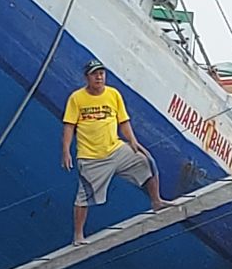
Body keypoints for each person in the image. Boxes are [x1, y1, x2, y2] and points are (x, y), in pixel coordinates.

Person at [61, 58, 172, 244]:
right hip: (91, 157)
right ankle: (78, 235)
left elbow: (123, 121)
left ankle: (156, 201)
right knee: (84, 196)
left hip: (115, 149)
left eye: (101, 73)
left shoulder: (113, 94)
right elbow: (69, 126)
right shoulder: (77, 98)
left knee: (147, 161)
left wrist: (133, 142)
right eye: (95, 74)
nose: (99, 77)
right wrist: (66, 151)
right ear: (86, 77)